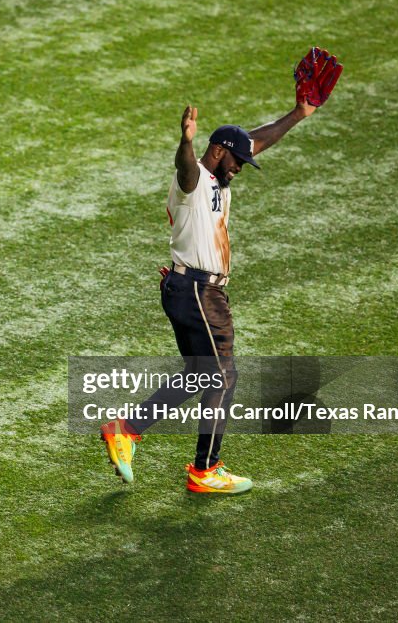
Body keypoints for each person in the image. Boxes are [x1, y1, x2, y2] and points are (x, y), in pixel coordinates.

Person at [100, 48, 343, 493]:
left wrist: (299, 113)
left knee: (202, 374)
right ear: (216, 152)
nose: (241, 169)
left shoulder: (220, 176)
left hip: (191, 288)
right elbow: (186, 168)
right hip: (197, 291)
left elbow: (256, 140)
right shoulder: (193, 181)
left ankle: (126, 430)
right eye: (236, 162)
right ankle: (204, 470)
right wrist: (187, 141)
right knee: (223, 376)